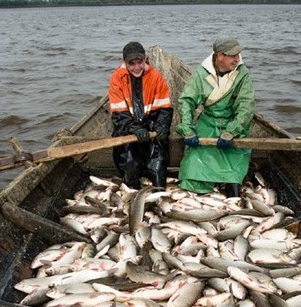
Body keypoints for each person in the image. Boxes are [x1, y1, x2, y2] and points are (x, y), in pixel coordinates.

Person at [175, 36, 255, 197]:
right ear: (219, 56)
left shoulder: (242, 74)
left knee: (233, 175)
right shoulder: (201, 73)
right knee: (192, 172)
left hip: (234, 123)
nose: (237, 59)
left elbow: (246, 106)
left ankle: (232, 190)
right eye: (232, 55)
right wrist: (187, 129)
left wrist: (232, 131)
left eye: (238, 55)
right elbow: (186, 101)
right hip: (208, 122)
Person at [108, 41, 173, 189]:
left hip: (150, 125)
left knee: (158, 162)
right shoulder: (116, 79)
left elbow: (164, 108)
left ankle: (157, 191)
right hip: (127, 127)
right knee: (129, 162)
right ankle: (133, 188)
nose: (137, 67)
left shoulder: (156, 77)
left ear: (145, 59)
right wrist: (135, 128)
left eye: (140, 62)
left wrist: (162, 126)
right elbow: (119, 114)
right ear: (125, 63)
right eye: (132, 63)